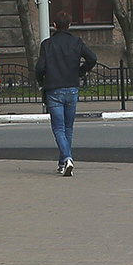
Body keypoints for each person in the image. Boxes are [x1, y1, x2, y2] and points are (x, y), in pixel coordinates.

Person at [35, 11, 98, 176]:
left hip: (54, 89)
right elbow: (92, 58)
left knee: (58, 128)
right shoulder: (76, 42)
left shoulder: (47, 44)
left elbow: (40, 68)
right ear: (69, 25)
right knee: (68, 128)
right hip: (72, 87)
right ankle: (63, 163)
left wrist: (42, 82)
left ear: (54, 25)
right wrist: (80, 72)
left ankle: (68, 158)